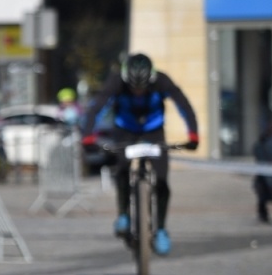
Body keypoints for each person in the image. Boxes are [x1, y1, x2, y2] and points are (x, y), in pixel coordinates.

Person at [81, 51, 200, 255]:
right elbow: (96, 107)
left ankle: (161, 229)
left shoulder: (161, 81)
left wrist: (193, 135)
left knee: (162, 179)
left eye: (142, 87)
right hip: (125, 129)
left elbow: (184, 105)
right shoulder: (116, 81)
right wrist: (88, 135)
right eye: (133, 87)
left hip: (154, 131)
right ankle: (123, 215)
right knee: (122, 169)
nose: (137, 91)